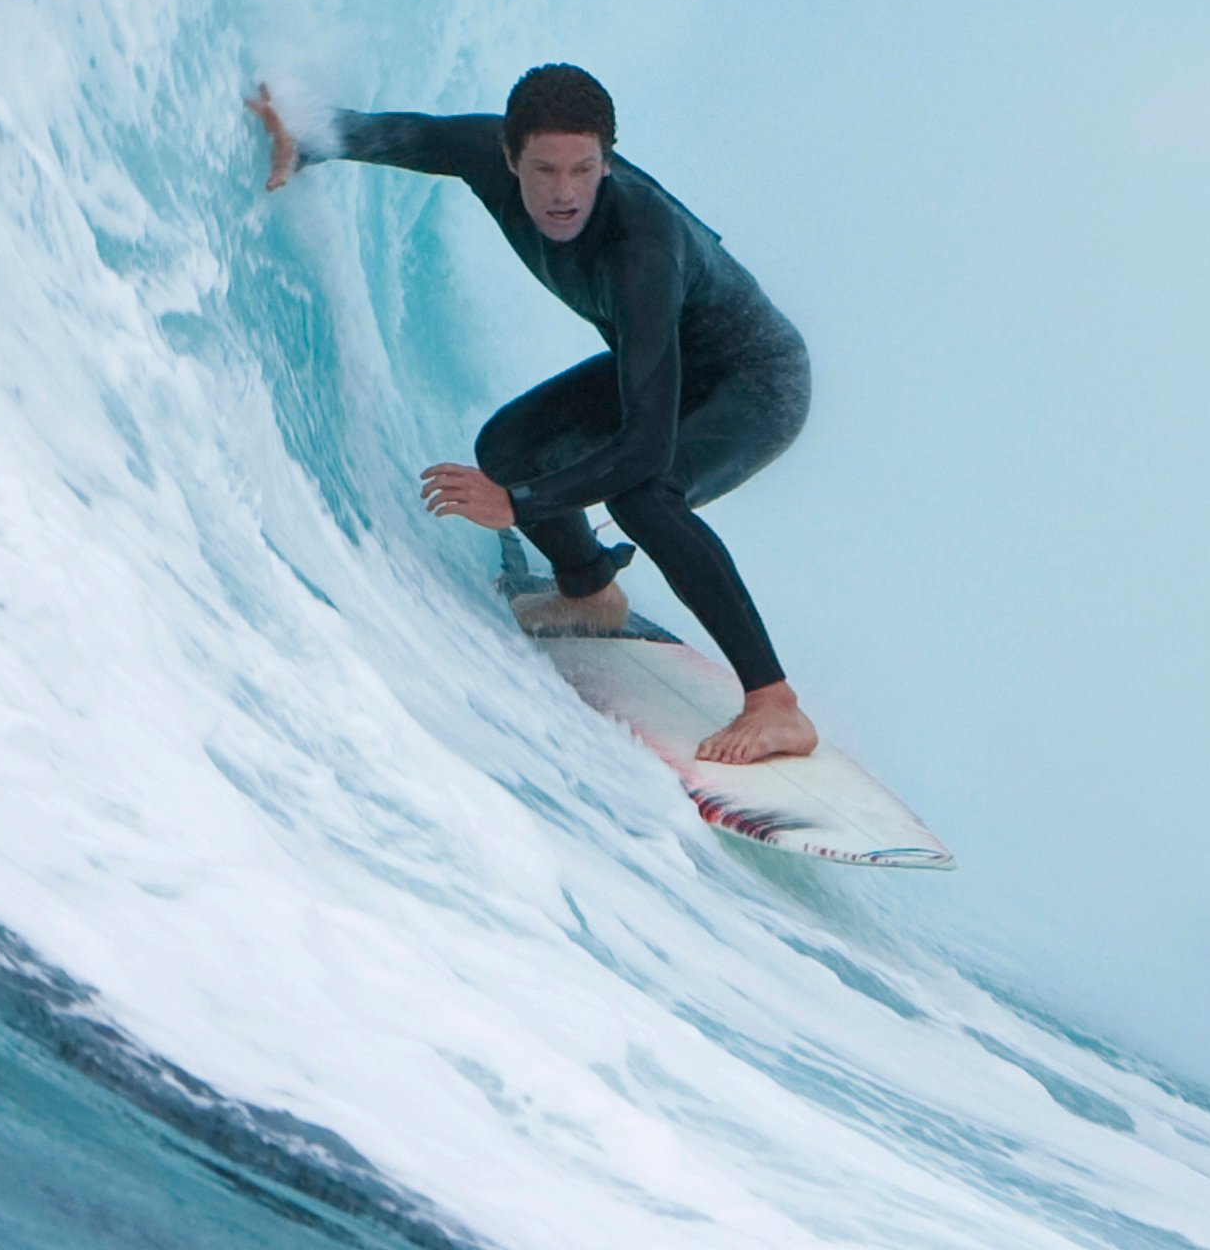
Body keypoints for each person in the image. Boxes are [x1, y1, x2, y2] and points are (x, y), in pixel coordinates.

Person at [249, 62, 819, 765]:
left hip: (753, 379)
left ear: (606, 163)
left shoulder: (641, 250)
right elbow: (412, 137)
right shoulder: (485, 157)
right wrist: (306, 137)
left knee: (644, 494)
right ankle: (588, 592)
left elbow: (642, 446)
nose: (563, 193)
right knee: (512, 446)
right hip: (667, 360)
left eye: (584, 170)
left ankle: (774, 702)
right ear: (509, 156)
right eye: (544, 169)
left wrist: (514, 507)